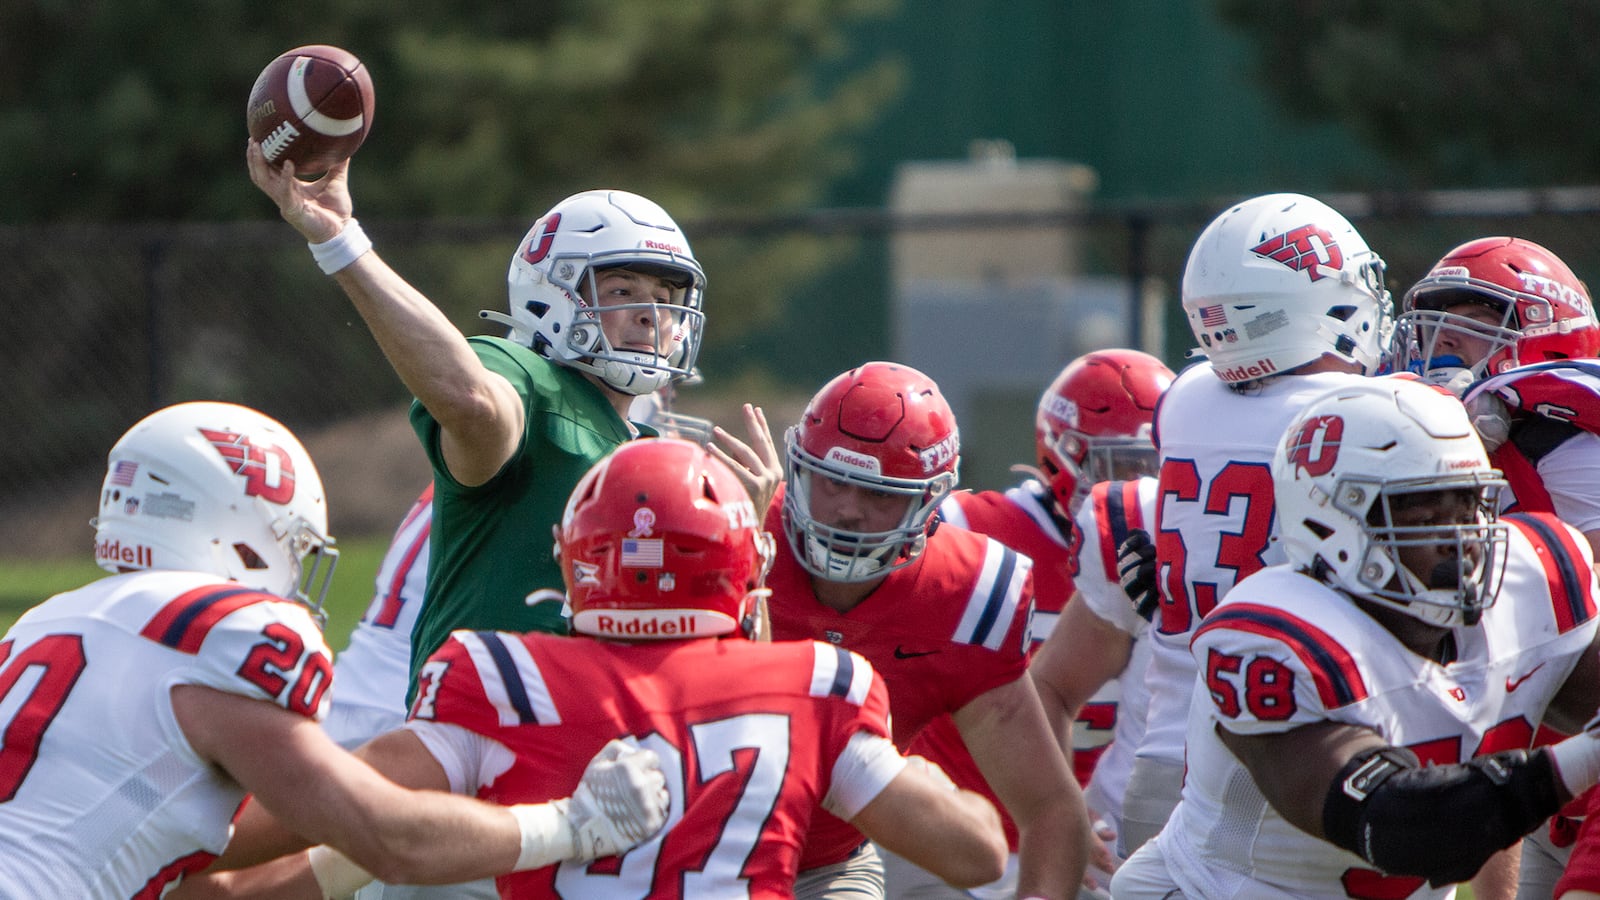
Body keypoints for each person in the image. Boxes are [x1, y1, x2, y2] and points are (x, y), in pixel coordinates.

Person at [175, 437, 1009, 899]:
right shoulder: (816, 685)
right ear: (739, 563)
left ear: (576, 560)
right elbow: (974, 854)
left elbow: (333, 815)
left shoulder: (501, 676)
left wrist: (169, 851)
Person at [0, 402, 669, 898]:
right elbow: (390, 837)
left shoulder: (44, 623)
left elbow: (198, 860)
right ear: (243, 533)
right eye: (292, 545)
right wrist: (572, 825)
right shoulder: (225, 632)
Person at [245, 148, 779, 704]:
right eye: (623, 290)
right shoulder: (529, 379)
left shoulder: (658, 460)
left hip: (606, 753)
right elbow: (473, 401)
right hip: (490, 739)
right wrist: (340, 241)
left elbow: (736, 678)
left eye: (666, 299)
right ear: (554, 292)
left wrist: (749, 542)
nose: (653, 315)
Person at [1111, 376, 1600, 898]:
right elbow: (1403, 828)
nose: (1461, 541)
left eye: (1468, 508)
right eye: (1423, 514)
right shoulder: (1273, 640)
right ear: (1331, 521)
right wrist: (1586, 757)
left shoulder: (1531, 582)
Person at [1120, 191, 1394, 854]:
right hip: (1282, 758)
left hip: (1159, 762)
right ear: (1317, 309)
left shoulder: (1184, 402)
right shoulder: (1370, 412)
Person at [764, 361, 1092, 900]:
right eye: (832, 482)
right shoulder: (738, 537)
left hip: (828, 864)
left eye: (879, 494)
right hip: (693, 841)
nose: (847, 511)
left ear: (930, 503)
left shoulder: (963, 592)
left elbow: (1049, 809)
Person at [878, 348, 1173, 899]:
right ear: (1062, 456)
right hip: (967, 824)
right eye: (1126, 466)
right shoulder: (974, 529)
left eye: (1161, 466)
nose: (1143, 486)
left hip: (1103, 831)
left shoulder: (1173, 547)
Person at [1394, 236, 1600, 898]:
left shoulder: (1565, 445)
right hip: (1526, 739)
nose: (1442, 354)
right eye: (1435, 329)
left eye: (1471, 331)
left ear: (1547, 336)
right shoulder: (1435, 437)